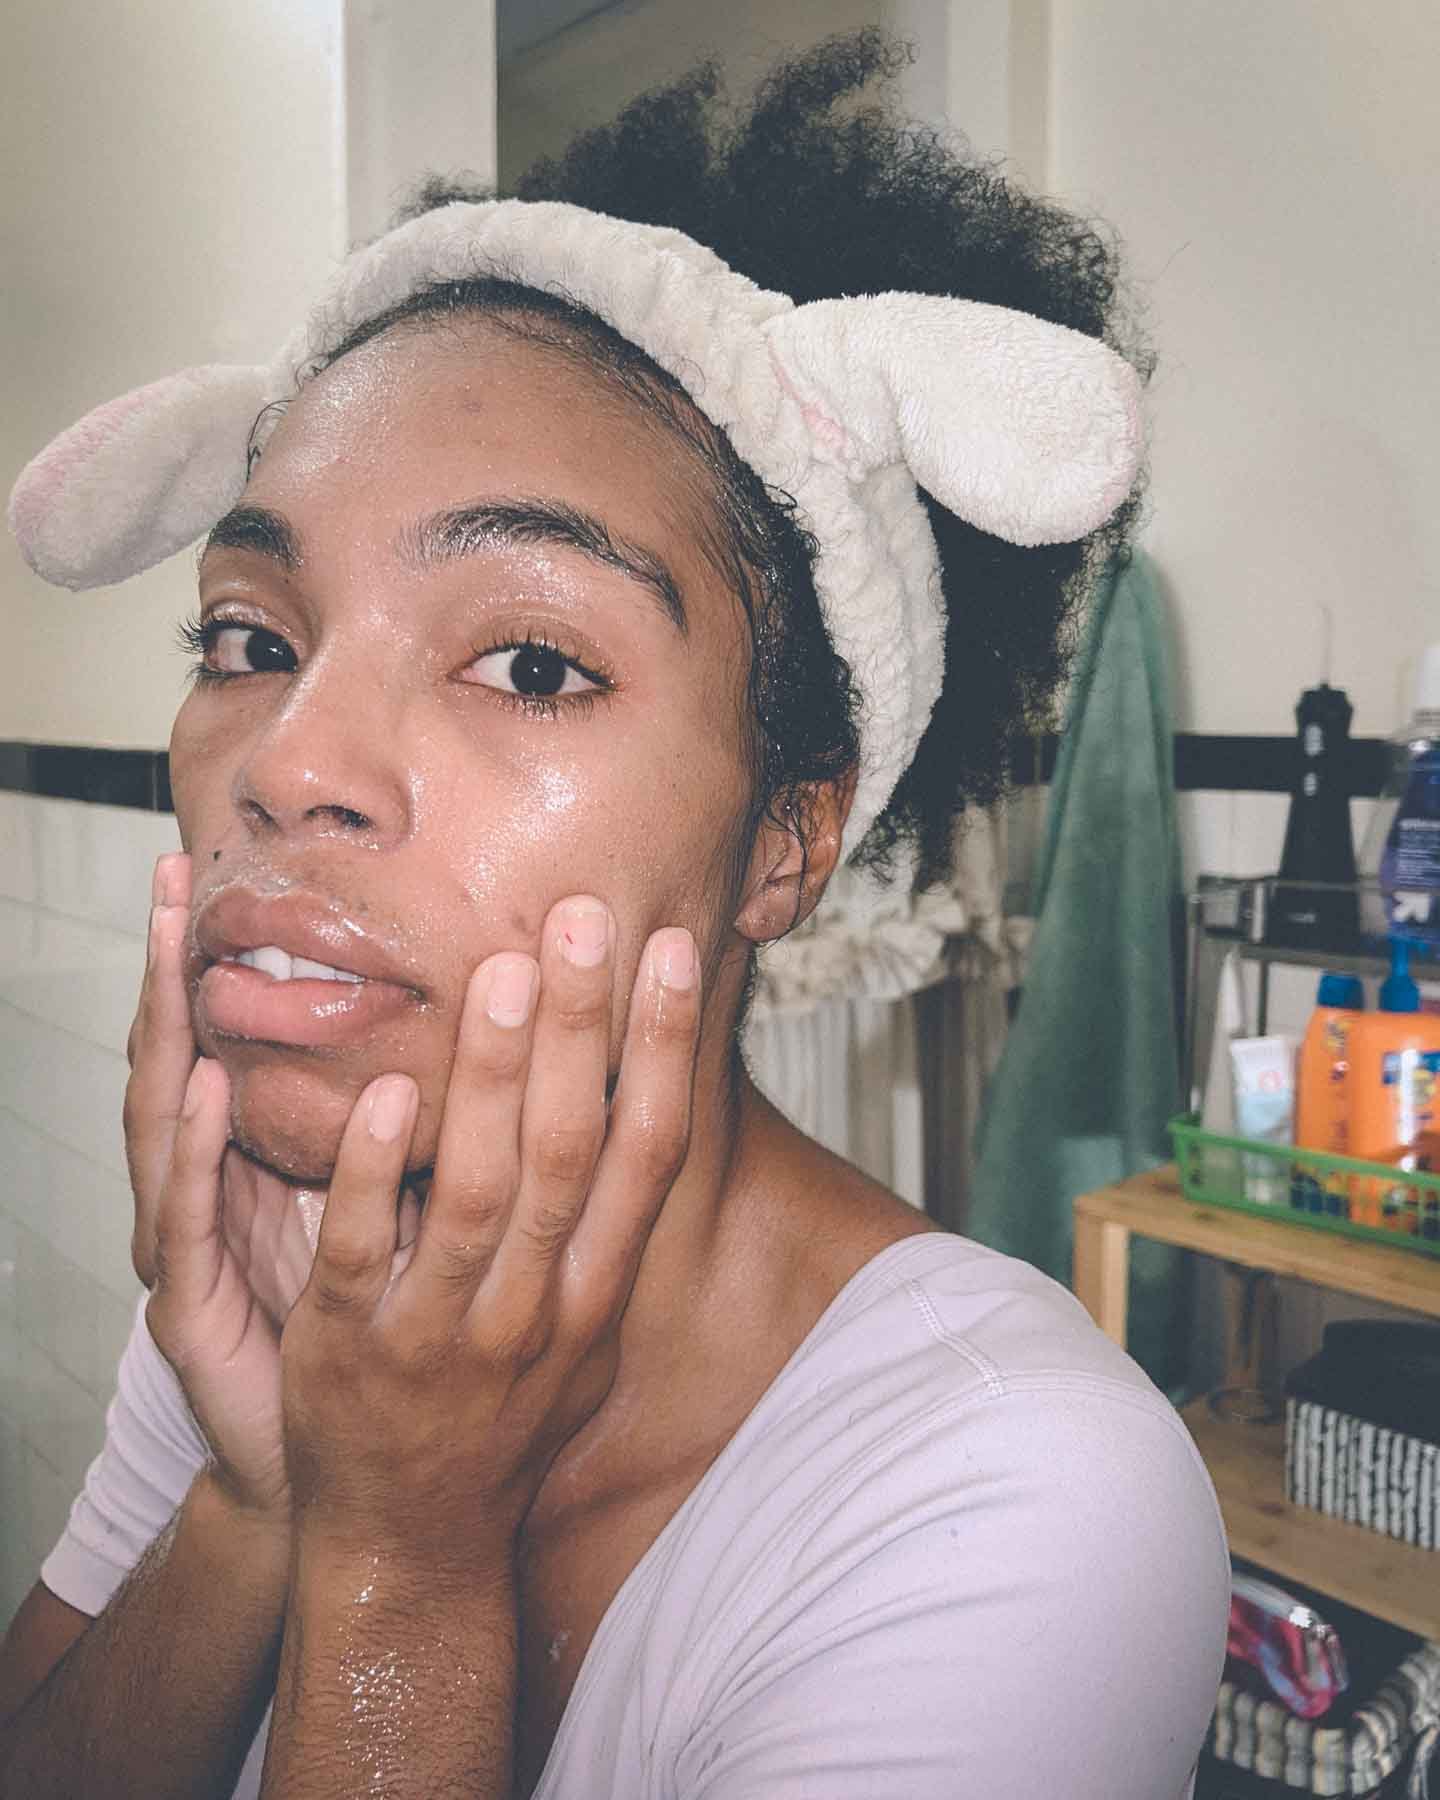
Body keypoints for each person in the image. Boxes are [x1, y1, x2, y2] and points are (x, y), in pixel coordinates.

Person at [0, 32, 1228, 1800]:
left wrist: (401, 1556)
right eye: (250, 640)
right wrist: (259, 1496)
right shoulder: (268, 1282)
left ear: (786, 842)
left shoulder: (1019, 1495)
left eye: (528, 660)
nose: (288, 757)